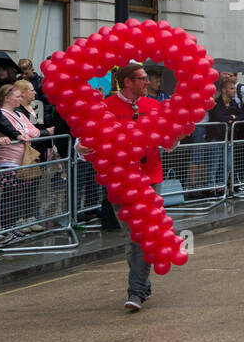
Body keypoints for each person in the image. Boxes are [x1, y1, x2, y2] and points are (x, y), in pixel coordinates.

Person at [74, 64, 182, 311]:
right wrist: (81, 149)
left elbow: (168, 145)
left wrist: (176, 134)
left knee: (141, 238)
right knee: (133, 236)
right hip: (118, 181)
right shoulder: (104, 107)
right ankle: (142, 284)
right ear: (127, 81)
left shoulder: (153, 106)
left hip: (150, 179)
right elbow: (82, 145)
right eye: (143, 79)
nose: (148, 82)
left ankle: (135, 292)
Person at [0, 83, 42, 242]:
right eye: (18, 97)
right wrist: (24, 132)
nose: (21, 100)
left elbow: (35, 131)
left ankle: (12, 228)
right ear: (7, 98)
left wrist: (25, 132)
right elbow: (18, 132)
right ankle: (7, 229)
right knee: (9, 197)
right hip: (6, 161)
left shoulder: (19, 114)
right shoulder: (1, 114)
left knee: (17, 197)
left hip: (21, 161)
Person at [206, 77, 243, 195]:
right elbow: (219, 117)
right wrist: (230, 117)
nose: (234, 91)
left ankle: (221, 186)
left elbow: (242, 116)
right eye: (232, 89)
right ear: (224, 90)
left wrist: (233, 118)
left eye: (234, 89)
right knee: (214, 163)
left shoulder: (233, 103)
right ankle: (211, 187)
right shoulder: (216, 103)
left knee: (227, 164)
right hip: (216, 137)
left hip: (229, 138)